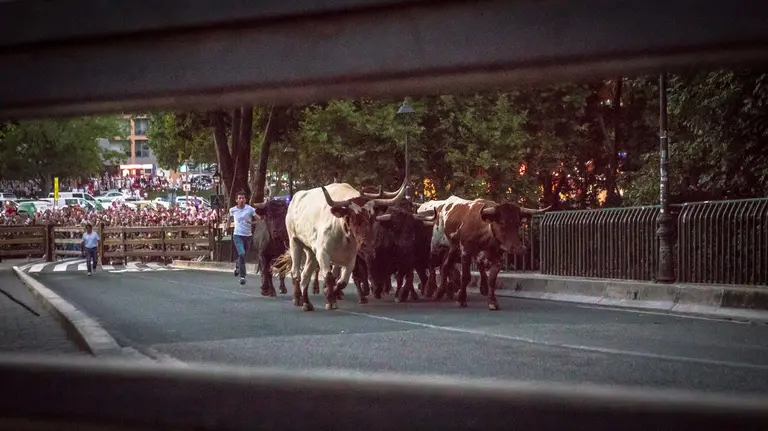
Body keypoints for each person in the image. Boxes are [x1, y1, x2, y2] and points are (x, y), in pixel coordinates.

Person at [228, 191, 259, 285]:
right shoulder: (232, 210)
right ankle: (242, 276)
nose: (241, 200)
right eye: (240, 198)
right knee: (242, 253)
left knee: (243, 255)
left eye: (243, 198)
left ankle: (238, 265)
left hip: (248, 236)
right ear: (236, 200)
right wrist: (226, 226)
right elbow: (229, 219)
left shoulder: (250, 209)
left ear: (246, 200)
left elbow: (259, 220)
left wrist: (251, 223)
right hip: (237, 235)